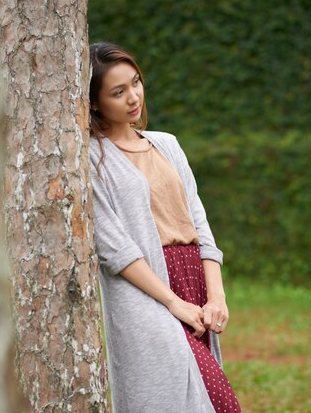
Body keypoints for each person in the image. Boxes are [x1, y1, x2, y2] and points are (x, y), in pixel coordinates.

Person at [88, 42, 242, 413]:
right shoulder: (92, 156)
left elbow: (199, 225)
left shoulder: (167, 145)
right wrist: (174, 302)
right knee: (192, 399)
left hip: (193, 279)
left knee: (203, 399)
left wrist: (215, 297)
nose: (132, 98)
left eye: (136, 83)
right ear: (94, 102)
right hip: (146, 288)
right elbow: (114, 249)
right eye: (117, 92)